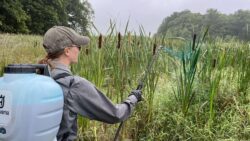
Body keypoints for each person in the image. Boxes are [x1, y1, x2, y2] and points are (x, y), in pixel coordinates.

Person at [39, 26, 142, 141]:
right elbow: (115, 114)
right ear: (67, 51)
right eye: (78, 47)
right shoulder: (73, 85)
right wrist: (133, 98)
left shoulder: (39, 76)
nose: (79, 50)